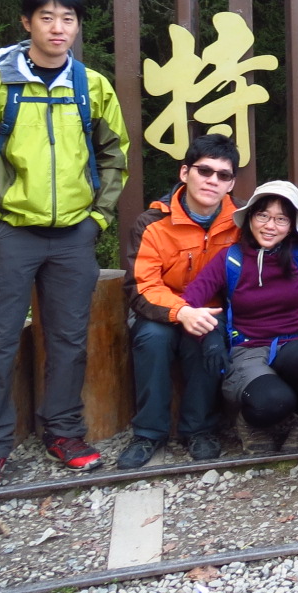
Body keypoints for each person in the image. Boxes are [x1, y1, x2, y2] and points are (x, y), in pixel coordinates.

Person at [0, 0, 130, 488]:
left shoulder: (91, 87)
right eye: (46, 17)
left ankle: (63, 431)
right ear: (26, 23)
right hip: (9, 234)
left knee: (69, 340)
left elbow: (115, 155)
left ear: (77, 26)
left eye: (67, 18)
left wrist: (98, 218)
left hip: (74, 234)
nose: (58, 28)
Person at [183, 181, 298, 453]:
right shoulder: (231, 259)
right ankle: (249, 422)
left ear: (291, 226)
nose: (270, 225)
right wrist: (202, 326)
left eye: (280, 219)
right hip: (247, 349)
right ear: (250, 217)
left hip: (292, 343)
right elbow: (190, 300)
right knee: (273, 403)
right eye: (262, 215)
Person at [118, 133, 240, 469]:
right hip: (160, 310)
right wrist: (180, 311)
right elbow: (141, 285)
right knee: (152, 339)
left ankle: (199, 429)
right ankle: (148, 433)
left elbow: (289, 257)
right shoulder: (152, 223)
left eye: (223, 175)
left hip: (214, 311)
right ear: (185, 173)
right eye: (204, 171)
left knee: (207, 336)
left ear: (231, 184)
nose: (212, 181)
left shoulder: (242, 223)